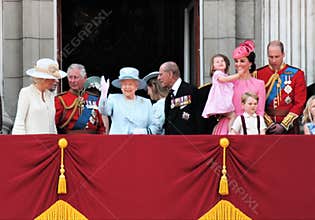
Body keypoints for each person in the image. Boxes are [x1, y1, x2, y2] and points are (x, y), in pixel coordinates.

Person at [213, 40, 266, 134]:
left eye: (242, 61)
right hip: (228, 125)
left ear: (250, 64)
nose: (238, 64)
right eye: (236, 61)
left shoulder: (259, 84)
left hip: (250, 127)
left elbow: (260, 111)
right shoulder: (228, 82)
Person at [255, 40, 307, 134]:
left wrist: (284, 125)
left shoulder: (297, 74)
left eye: (277, 57)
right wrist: (269, 123)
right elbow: (255, 101)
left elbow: (300, 103)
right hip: (264, 126)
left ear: (283, 54)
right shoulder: (258, 74)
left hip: (289, 127)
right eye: (271, 57)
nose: (274, 60)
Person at [12, 58, 67, 134]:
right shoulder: (26, 92)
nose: (57, 81)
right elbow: (19, 122)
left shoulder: (50, 95)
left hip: (49, 142)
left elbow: (52, 124)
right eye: (53, 79)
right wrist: (22, 144)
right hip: (31, 143)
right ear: (43, 79)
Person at [100, 67, 153, 134]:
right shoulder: (114, 99)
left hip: (139, 141)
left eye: (130, 84)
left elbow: (153, 125)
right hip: (117, 142)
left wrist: (145, 132)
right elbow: (104, 111)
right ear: (121, 86)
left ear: (136, 86)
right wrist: (103, 95)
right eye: (124, 84)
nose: (127, 87)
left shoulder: (146, 103)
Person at [55, 64, 105, 134]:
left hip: (92, 141)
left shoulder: (94, 99)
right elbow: (54, 126)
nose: (72, 81)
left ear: (85, 78)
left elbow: (101, 127)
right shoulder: (60, 100)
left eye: (75, 77)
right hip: (69, 142)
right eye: (70, 77)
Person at [202, 54, 241, 133]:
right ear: (213, 67)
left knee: (230, 116)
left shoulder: (225, 75)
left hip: (224, 101)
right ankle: (231, 132)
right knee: (233, 115)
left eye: (222, 61)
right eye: (217, 62)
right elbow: (224, 79)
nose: (220, 63)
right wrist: (239, 75)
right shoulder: (217, 74)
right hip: (221, 102)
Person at [158, 61, 196, 135]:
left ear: (170, 74)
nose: (158, 78)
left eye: (161, 74)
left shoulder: (191, 90)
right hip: (172, 142)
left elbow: (198, 119)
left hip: (189, 142)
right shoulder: (169, 96)